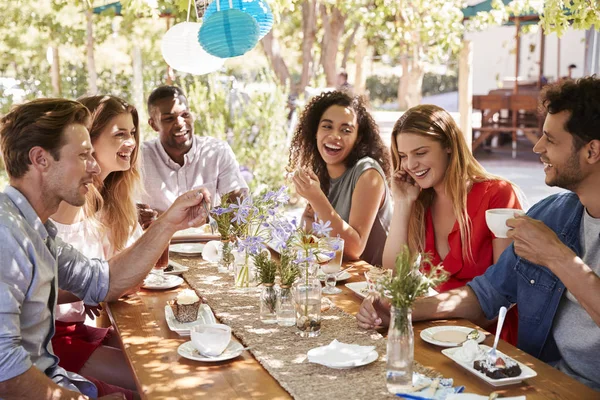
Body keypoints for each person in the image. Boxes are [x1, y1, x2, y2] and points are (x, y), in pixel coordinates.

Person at [357, 76, 600, 391]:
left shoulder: (513, 207)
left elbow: (501, 309)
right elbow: (487, 294)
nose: (537, 147)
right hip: (543, 375)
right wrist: (401, 311)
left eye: (550, 140)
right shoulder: (552, 214)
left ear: (592, 151)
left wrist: (556, 256)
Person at [0, 98, 210, 399]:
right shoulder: (6, 234)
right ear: (40, 159)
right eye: (84, 155)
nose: (94, 166)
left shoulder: (34, 228)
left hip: (53, 374)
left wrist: (169, 224)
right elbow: (5, 376)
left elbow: (103, 281)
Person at [383, 104, 522, 343]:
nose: (410, 165)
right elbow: (395, 273)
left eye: (420, 153)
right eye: (403, 156)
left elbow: (505, 292)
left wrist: (420, 310)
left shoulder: (497, 194)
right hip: (440, 331)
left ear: (448, 145)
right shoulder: (420, 201)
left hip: (491, 338)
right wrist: (403, 203)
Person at [50, 95, 143, 391]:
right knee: (151, 385)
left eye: (133, 134)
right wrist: (87, 288)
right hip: (52, 339)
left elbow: (116, 269)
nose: (131, 143)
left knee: (167, 361)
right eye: (120, 134)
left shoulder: (108, 197)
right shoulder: (68, 201)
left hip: (79, 329)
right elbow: (30, 285)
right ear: (87, 141)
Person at [288, 91, 392, 266]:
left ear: (358, 138)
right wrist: (307, 222)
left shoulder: (368, 173)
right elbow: (318, 245)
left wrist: (316, 198)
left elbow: (353, 249)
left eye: (346, 130)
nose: (335, 136)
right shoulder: (322, 173)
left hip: (374, 285)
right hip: (338, 281)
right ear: (315, 132)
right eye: (327, 126)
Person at [140, 85, 248, 220]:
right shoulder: (140, 158)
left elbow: (239, 208)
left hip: (208, 241)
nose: (180, 123)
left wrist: (173, 220)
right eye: (169, 118)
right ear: (153, 124)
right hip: (160, 241)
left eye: (185, 115)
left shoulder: (216, 151)